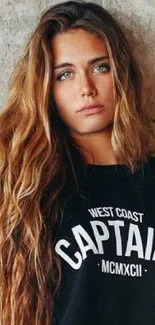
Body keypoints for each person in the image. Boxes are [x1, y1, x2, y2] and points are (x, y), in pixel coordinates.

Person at [0, 0, 155, 324]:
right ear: (46, 88)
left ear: (121, 73)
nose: (86, 89)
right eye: (65, 74)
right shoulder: (26, 186)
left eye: (101, 67)